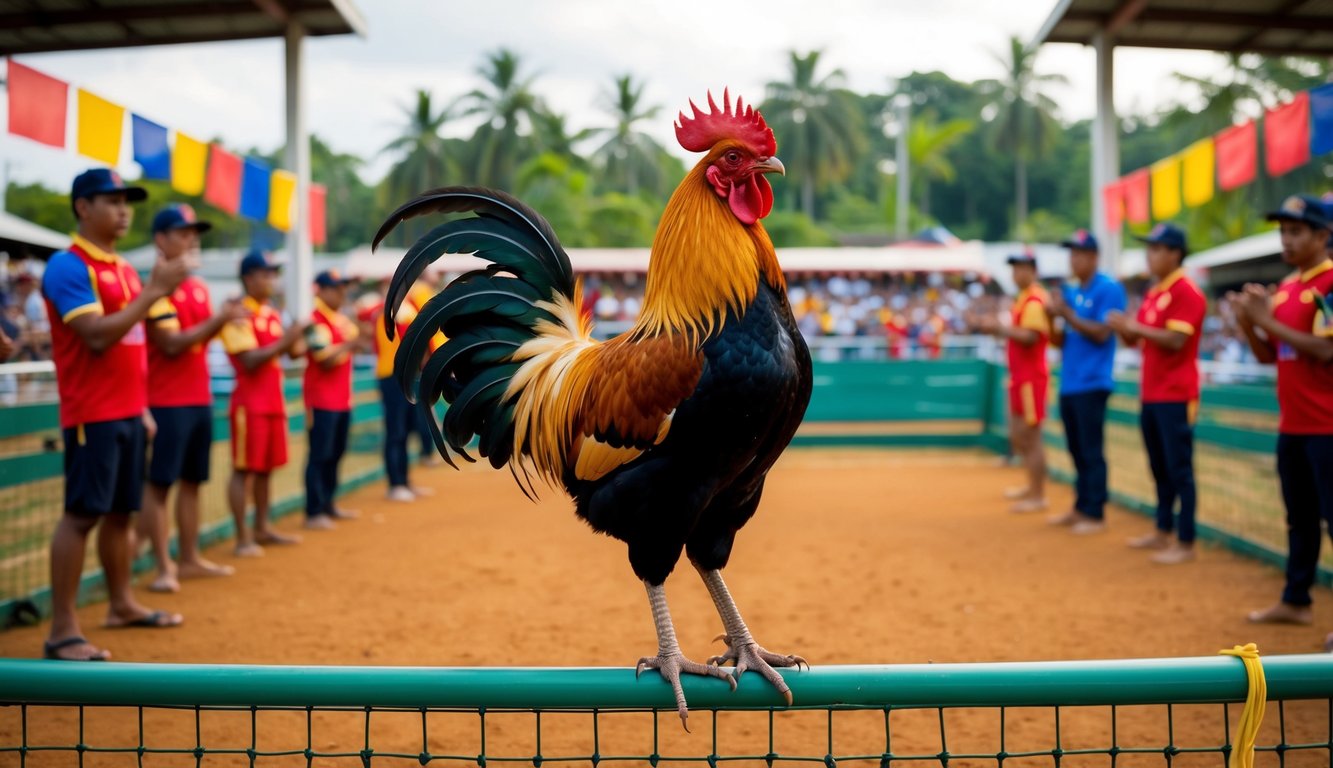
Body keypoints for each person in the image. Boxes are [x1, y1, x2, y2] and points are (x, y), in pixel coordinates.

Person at [39, 168, 190, 661]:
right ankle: (62, 630)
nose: (124, 209)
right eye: (112, 200)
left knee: (122, 515)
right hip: (92, 412)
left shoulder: (124, 269)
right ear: (83, 207)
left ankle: (121, 603)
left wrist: (142, 405)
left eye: (127, 201)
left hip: (126, 411)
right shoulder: (67, 266)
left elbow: (132, 343)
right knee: (82, 515)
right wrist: (153, 293)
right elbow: (98, 336)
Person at [1232, 194, 1333, 627]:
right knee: (1300, 519)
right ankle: (1296, 600)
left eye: (1296, 231)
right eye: (1283, 231)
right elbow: (1270, 356)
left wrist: (1265, 319)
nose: (1286, 240)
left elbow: (1325, 351)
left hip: (1327, 425)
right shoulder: (1288, 288)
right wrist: (1247, 323)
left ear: (1323, 236)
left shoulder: (1329, 284)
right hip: (1293, 424)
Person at [137, 204, 246, 593]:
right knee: (159, 485)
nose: (190, 239)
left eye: (192, 232)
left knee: (191, 482)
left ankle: (187, 558)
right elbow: (170, 344)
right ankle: (163, 565)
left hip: (197, 396)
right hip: (167, 400)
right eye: (182, 232)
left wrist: (226, 322)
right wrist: (220, 320)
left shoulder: (197, 286)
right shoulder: (155, 286)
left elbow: (198, 339)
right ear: (160, 239)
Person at [1106, 223, 1206, 563]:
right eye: (1149, 248)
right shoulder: (1155, 291)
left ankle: (1186, 541)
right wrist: (1125, 330)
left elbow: (1176, 340)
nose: (1150, 255)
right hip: (1152, 392)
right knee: (1159, 466)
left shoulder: (1186, 291)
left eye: (1156, 248)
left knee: (1180, 469)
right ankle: (1162, 530)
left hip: (1176, 393)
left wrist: (1136, 328)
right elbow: (1140, 339)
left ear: (1175, 253)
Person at [219, 249, 308, 556]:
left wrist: (299, 336)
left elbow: (293, 352)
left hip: (272, 400)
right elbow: (250, 361)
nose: (272, 279)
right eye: (265, 273)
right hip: (249, 403)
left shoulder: (270, 311)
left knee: (267, 468)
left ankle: (262, 527)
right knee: (244, 469)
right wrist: (287, 340)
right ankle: (242, 536)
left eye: (274, 273)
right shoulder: (238, 313)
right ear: (248, 277)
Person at [1046, 230, 1126, 535]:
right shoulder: (1073, 291)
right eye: (1071, 253)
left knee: (1092, 450)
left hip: (1093, 382)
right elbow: (1058, 341)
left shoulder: (1109, 288)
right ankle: (1080, 506)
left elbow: (1102, 333)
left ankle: (1095, 512)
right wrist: (1053, 316)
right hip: (1070, 381)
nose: (1074, 259)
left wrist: (1066, 312)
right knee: (1076, 449)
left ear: (1094, 257)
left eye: (1079, 253)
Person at [978, 253, 1051, 513]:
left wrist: (999, 329)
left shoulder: (1034, 299)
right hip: (1020, 377)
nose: (1016, 273)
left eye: (1021, 268)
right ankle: (1031, 486)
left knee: (1031, 437)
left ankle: (1038, 494)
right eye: (1014, 268)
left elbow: (1031, 337)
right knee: (1019, 435)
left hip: (1031, 378)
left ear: (1032, 270)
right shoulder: (1022, 299)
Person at [358, 279, 441, 502]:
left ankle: (403, 481)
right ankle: (396, 483)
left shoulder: (404, 308)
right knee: (396, 431)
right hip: (392, 374)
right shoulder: (392, 309)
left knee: (404, 430)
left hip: (405, 374)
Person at [302, 269, 361, 530]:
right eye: (336, 288)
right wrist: (351, 344)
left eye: (343, 288)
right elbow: (323, 358)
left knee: (336, 453)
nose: (342, 293)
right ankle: (314, 510)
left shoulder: (340, 320)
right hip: (321, 401)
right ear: (322, 291)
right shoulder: (314, 320)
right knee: (319, 455)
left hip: (342, 400)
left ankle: (328, 503)